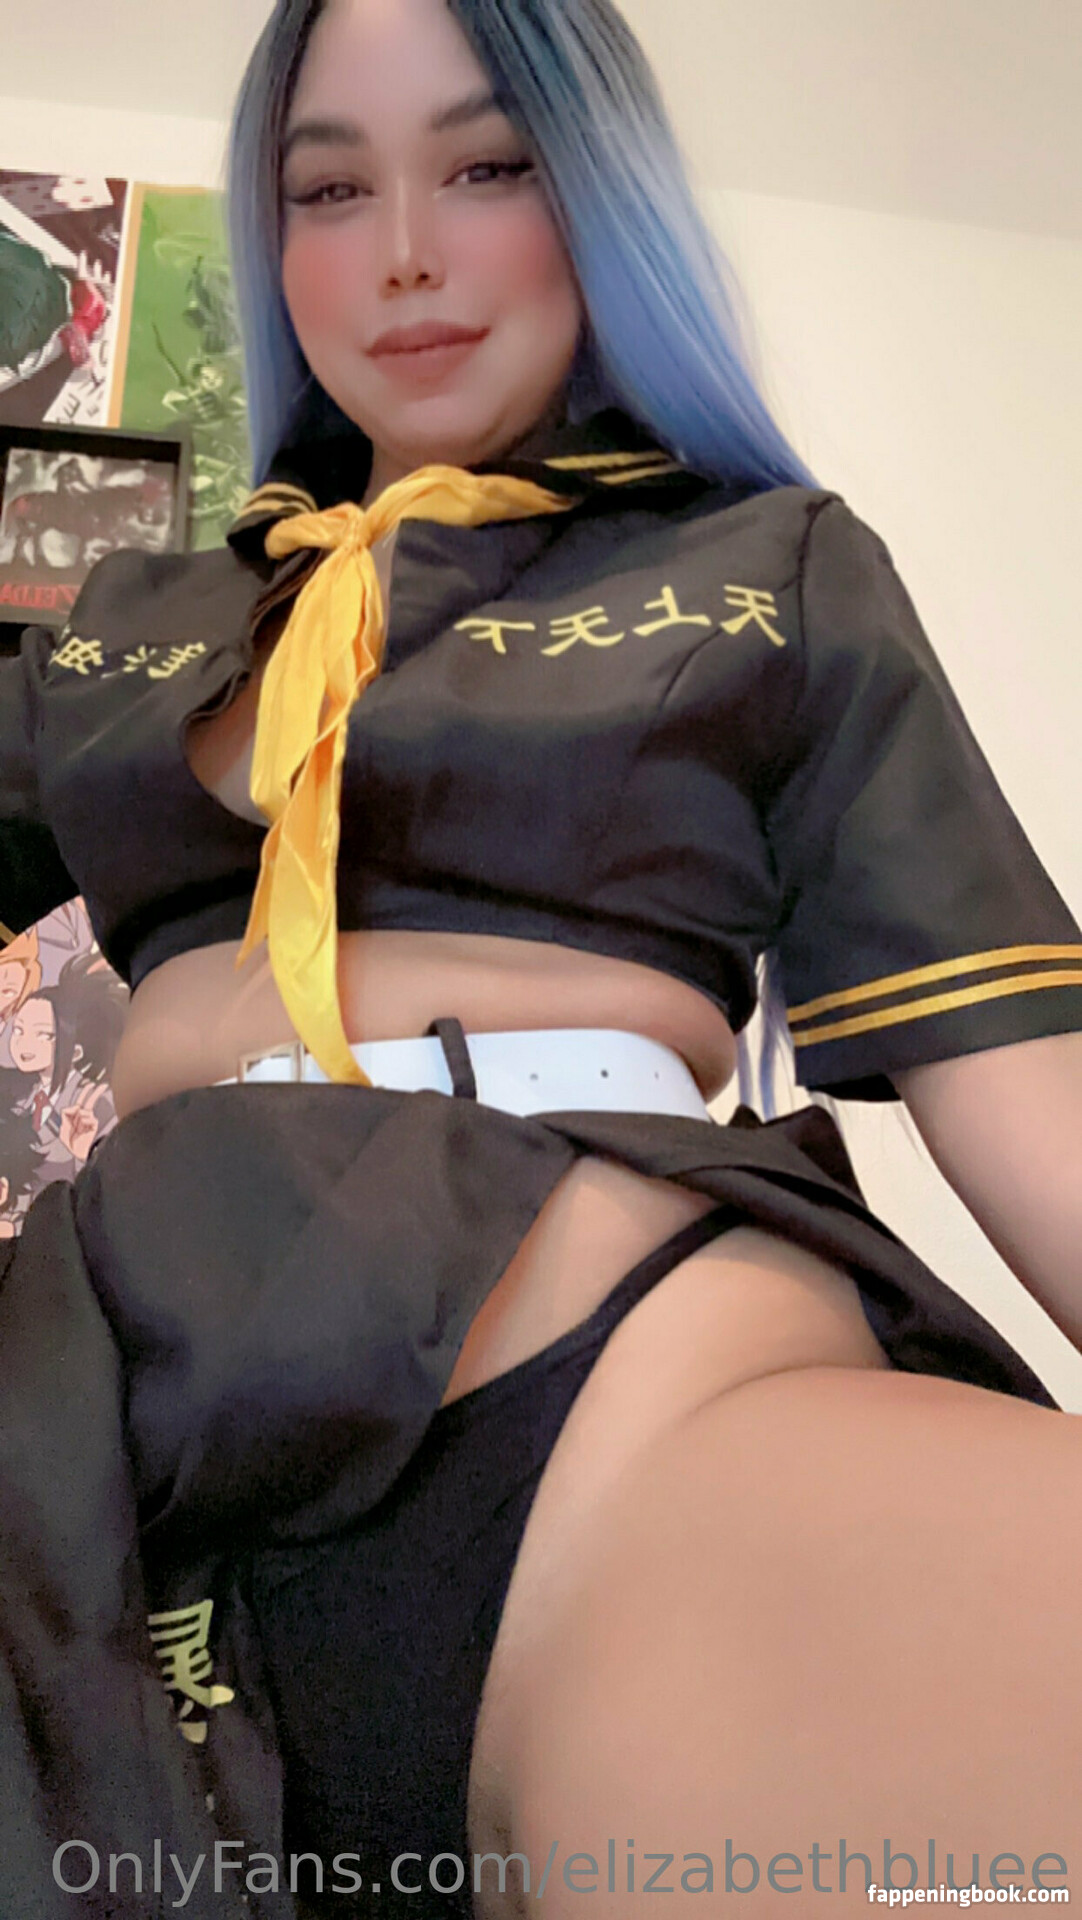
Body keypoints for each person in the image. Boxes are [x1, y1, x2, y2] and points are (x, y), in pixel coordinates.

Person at [0, 2, 1080, 1916]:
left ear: (597, 194)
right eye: (330, 189)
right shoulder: (128, 619)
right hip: (93, 1472)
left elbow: (1023, 1081)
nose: (406, 249)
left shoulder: (769, 566)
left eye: (487, 164)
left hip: (625, 1419)